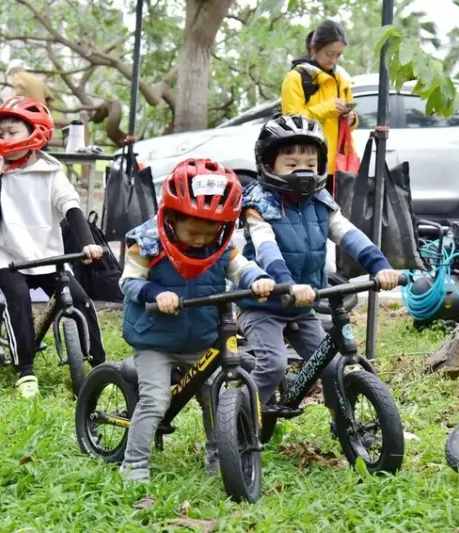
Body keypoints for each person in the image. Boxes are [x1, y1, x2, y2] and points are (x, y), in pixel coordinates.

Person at [119, 158, 275, 484]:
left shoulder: (221, 246)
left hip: (202, 337)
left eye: (211, 232)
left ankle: (219, 455)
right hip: (155, 341)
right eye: (193, 232)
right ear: (172, 217)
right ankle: (134, 464)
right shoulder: (147, 242)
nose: (202, 240)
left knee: (215, 394)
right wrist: (154, 292)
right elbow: (128, 281)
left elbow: (241, 267)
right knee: (155, 399)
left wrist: (258, 278)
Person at [238, 115, 399, 410]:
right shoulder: (259, 203)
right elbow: (266, 248)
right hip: (263, 306)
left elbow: (348, 234)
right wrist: (286, 282)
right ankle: (241, 422)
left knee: (332, 365)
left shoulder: (320, 201)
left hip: (303, 306)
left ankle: (345, 425)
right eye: (291, 165)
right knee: (273, 365)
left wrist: (380, 265)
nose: (303, 172)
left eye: (310, 165)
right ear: (268, 165)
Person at [0, 96, 106, 399]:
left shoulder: (51, 172)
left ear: (36, 133)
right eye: (1, 132)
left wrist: (88, 243)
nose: (3, 138)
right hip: (6, 255)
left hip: (47, 254)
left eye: (12, 132)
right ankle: (25, 371)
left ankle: (100, 365)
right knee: (18, 298)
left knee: (82, 301)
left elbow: (71, 208)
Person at [280, 20, 358, 188]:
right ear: (314, 48)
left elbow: (345, 126)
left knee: (337, 214)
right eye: (330, 54)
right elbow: (292, 121)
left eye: (339, 55)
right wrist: (327, 109)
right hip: (308, 164)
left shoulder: (341, 79)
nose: (334, 60)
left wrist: (351, 119)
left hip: (338, 166)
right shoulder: (296, 78)